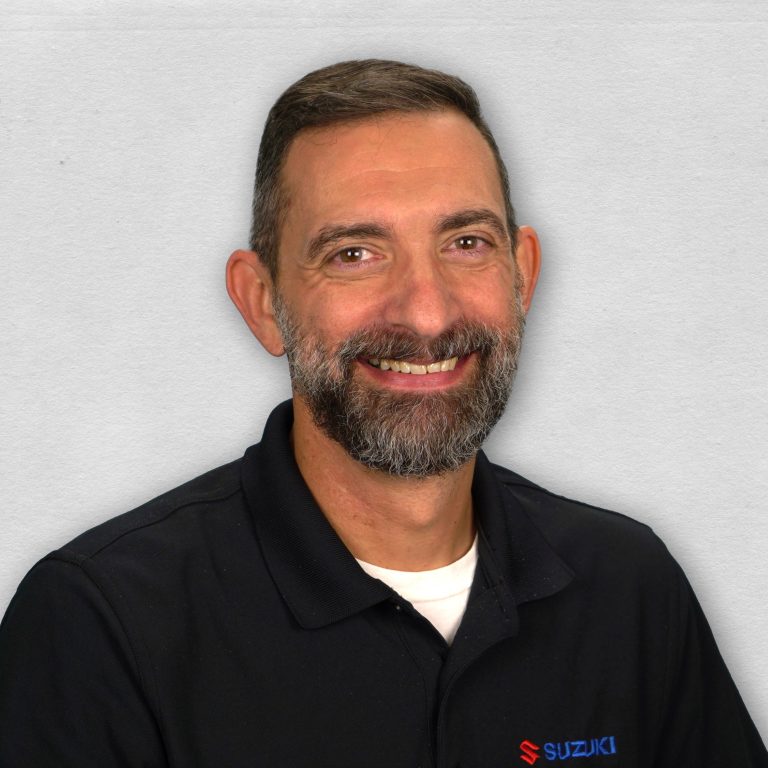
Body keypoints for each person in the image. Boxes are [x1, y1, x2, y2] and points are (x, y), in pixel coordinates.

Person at [0, 59, 765, 768]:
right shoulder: (100, 623)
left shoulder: (630, 589)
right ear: (262, 303)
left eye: (466, 242)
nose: (427, 312)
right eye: (354, 254)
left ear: (522, 274)